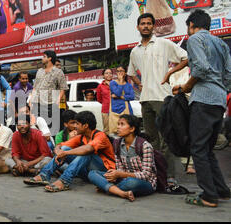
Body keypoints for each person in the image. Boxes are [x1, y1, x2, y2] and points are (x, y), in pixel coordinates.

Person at [171, 10, 230, 207]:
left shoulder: (195, 39)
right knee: (207, 149)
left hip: (203, 99)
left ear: (192, 25)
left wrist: (187, 86)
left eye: (188, 28)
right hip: (219, 100)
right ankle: (221, 190)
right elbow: (228, 75)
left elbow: (201, 69)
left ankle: (208, 196)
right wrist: (219, 89)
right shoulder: (221, 43)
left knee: (198, 147)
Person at [127, 13, 188, 185]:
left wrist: (169, 73)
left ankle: (169, 176)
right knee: (152, 139)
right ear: (138, 27)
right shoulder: (135, 50)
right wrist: (141, 85)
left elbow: (185, 58)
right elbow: (131, 73)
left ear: (153, 26)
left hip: (163, 97)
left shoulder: (164, 44)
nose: (145, 26)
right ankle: (156, 173)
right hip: (145, 99)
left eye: (148, 23)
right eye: (142, 24)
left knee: (166, 137)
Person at [24, 111, 115, 192]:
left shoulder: (100, 136)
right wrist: (59, 151)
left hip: (104, 171)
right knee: (65, 149)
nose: (75, 127)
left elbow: (88, 149)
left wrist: (66, 153)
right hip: (87, 172)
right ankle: (44, 175)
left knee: (86, 154)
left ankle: (64, 181)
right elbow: (60, 145)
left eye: (77, 124)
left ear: (85, 126)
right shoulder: (81, 137)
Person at [88, 114, 157, 202]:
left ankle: (108, 188)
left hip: (145, 183)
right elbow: (120, 168)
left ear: (132, 129)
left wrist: (120, 174)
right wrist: (115, 176)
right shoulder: (117, 144)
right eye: (118, 124)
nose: (118, 127)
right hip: (123, 179)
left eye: (122, 124)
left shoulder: (145, 146)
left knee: (131, 182)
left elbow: (146, 175)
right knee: (92, 174)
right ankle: (121, 193)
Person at [29, 51, 68, 133]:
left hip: (50, 104)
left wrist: (57, 101)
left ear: (50, 58)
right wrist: (31, 100)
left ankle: (51, 144)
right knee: (37, 126)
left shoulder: (58, 72)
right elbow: (35, 87)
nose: (42, 58)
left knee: (50, 128)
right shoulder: (39, 71)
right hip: (37, 103)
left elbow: (63, 88)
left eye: (44, 56)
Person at [109, 66, 135, 135]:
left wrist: (120, 97)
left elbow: (132, 96)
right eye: (118, 71)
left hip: (127, 109)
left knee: (127, 130)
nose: (119, 73)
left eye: (121, 71)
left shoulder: (128, 85)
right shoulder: (112, 83)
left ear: (125, 73)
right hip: (115, 109)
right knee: (115, 131)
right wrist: (120, 81)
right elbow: (117, 92)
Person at [96, 68, 112, 134]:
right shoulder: (100, 86)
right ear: (103, 76)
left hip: (116, 109)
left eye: (110, 73)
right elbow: (99, 99)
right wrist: (106, 103)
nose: (108, 75)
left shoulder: (116, 84)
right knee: (107, 129)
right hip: (106, 110)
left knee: (116, 128)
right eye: (106, 73)